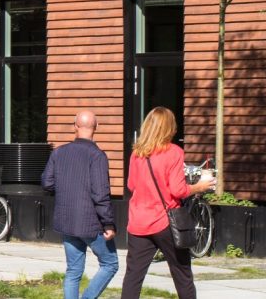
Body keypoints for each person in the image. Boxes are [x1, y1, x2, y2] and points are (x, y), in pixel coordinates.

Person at [121, 107, 216, 299]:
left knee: (133, 277)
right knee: (182, 274)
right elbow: (178, 190)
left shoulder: (137, 153)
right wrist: (199, 186)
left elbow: (131, 185)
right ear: (169, 128)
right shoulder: (174, 152)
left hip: (138, 222)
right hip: (165, 222)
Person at [41, 110, 118, 299]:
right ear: (97, 127)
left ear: (74, 126)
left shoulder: (59, 153)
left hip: (67, 220)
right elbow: (100, 193)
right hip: (91, 223)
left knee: (73, 271)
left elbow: (47, 182)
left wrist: (67, 187)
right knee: (110, 264)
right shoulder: (97, 155)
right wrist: (108, 223)